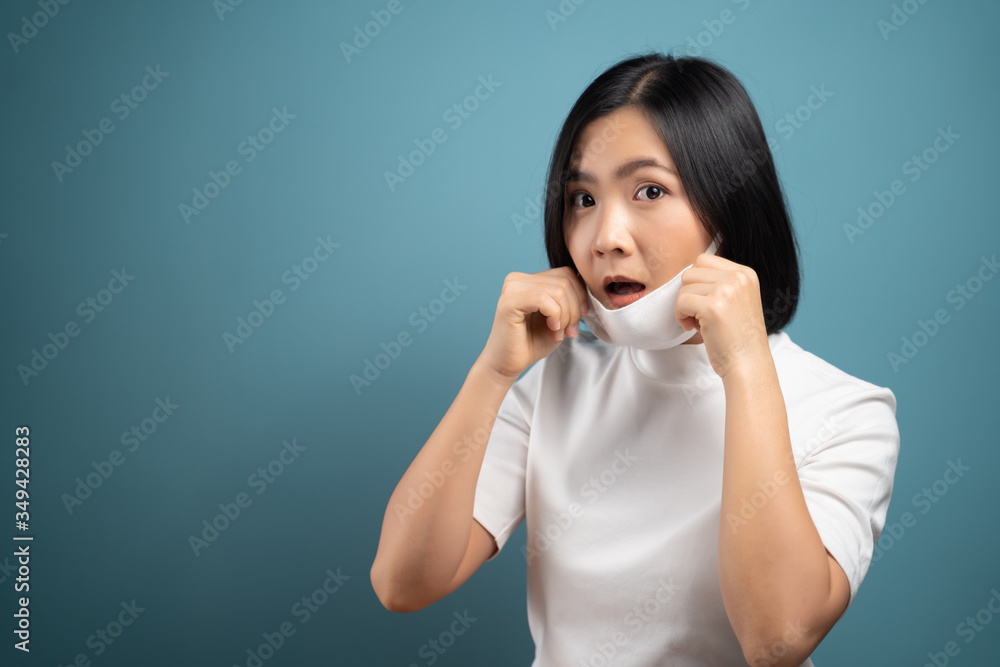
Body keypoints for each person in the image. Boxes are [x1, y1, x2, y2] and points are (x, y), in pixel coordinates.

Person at [370, 51, 900, 667]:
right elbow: (403, 584)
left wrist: (746, 368)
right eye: (583, 198)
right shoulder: (556, 382)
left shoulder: (847, 412)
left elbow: (775, 639)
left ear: (730, 207)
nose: (606, 238)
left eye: (650, 191)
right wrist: (492, 374)